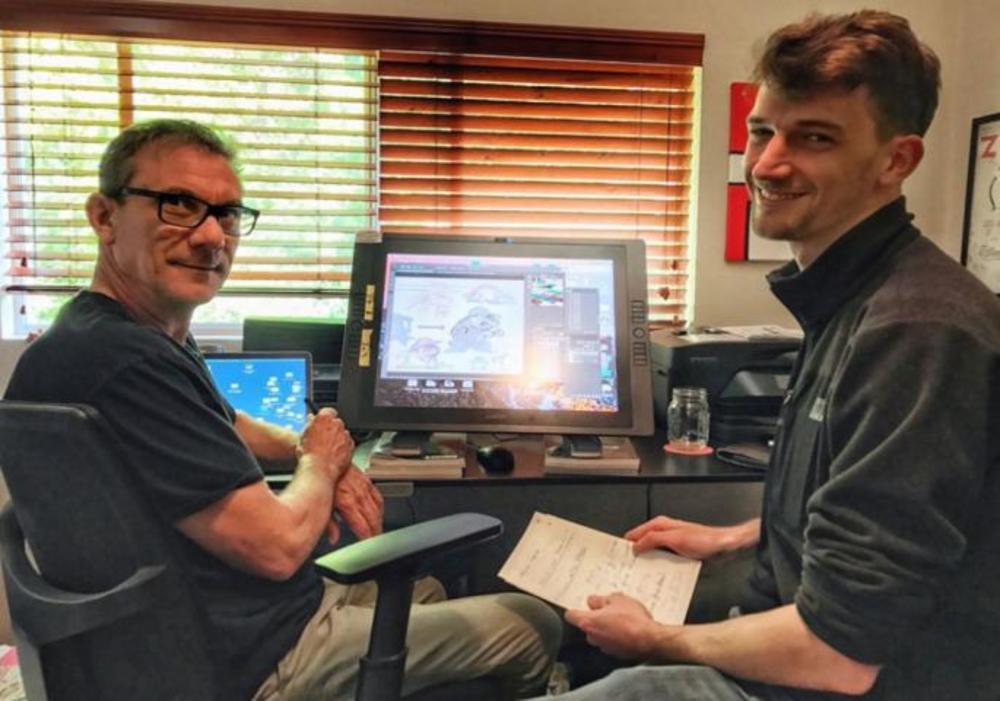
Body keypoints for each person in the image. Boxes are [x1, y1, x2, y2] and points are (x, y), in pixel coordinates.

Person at [3, 119, 562, 701]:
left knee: (424, 591)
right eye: (179, 205)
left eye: (226, 214)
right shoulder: (131, 363)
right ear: (104, 217)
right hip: (247, 659)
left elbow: (230, 425)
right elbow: (276, 548)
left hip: (186, 634)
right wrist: (321, 464)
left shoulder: (97, 335)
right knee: (530, 622)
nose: (211, 236)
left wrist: (312, 451)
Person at [531, 10, 1000, 701]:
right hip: (794, 630)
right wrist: (736, 538)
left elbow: (840, 653)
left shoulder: (917, 333)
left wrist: (656, 640)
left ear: (896, 161)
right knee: (563, 619)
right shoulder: (850, 295)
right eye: (762, 131)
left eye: (815, 138)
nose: (768, 164)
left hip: (839, 680)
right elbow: (873, 527)